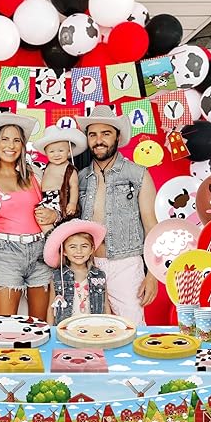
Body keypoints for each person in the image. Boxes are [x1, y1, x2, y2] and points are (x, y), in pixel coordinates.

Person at [76, 105, 158, 325]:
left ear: (117, 137)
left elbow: (151, 227)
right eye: (93, 135)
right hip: (87, 264)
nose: (98, 140)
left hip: (126, 265)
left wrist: (153, 275)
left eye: (106, 133)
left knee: (131, 328)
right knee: (90, 329)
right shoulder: (80, 178)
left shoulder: (138, 174)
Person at [0, 113, 57, 319]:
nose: (11, 145)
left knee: (40, 325)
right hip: (4, 254)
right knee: (4, 325)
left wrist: (53, 214)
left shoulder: (35, 174)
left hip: (40, 253)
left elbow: (55, 202)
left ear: (23, 145)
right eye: (5, 139)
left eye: (17, 140)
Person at [43, 219, 108, 325]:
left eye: (84, 246)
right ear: (64, 251)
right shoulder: (58, 276)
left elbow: (105, 306)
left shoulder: (99, 276)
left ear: (92, 249)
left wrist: (108, 326)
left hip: (93, 327)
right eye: (72, 247)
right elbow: (51, 308)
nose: (79, 251)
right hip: (66, 328)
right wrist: (51, 330)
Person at [32, 125, 87, 233]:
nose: (56, 154)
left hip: (58, 198)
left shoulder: (69, 168)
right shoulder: (46, 166)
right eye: (51, 152)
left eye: (61, 150)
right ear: (46, 153)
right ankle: (50, 235)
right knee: (39, 216)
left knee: (45, 218)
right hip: (45, 198)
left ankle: (54, 236)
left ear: (69, 151)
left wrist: (72, 203)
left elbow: (74, 187)